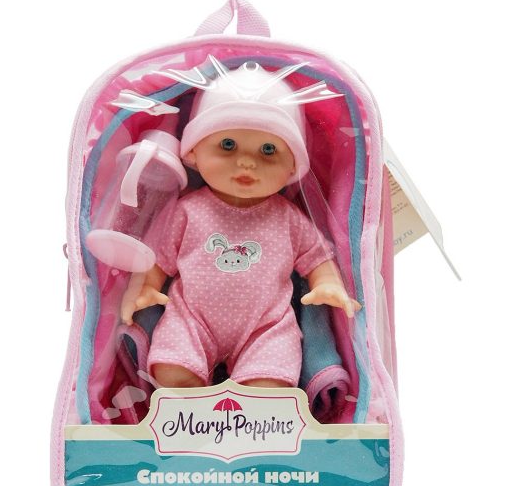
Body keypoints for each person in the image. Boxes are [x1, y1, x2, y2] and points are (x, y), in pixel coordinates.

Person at [120, 60, 360, 389]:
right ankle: (194, 406)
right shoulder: (187, 211)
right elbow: (158, 259)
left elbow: (318, 257)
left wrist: (328, 284)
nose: (247, 162)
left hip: (267, 327)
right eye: (228, 145)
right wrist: (146, 287)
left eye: (268, 150)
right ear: (193, 153)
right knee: (172, 372)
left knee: (270, 387)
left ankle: (251, 403)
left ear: (293, 167)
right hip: (191, 320)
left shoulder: (288, 217)